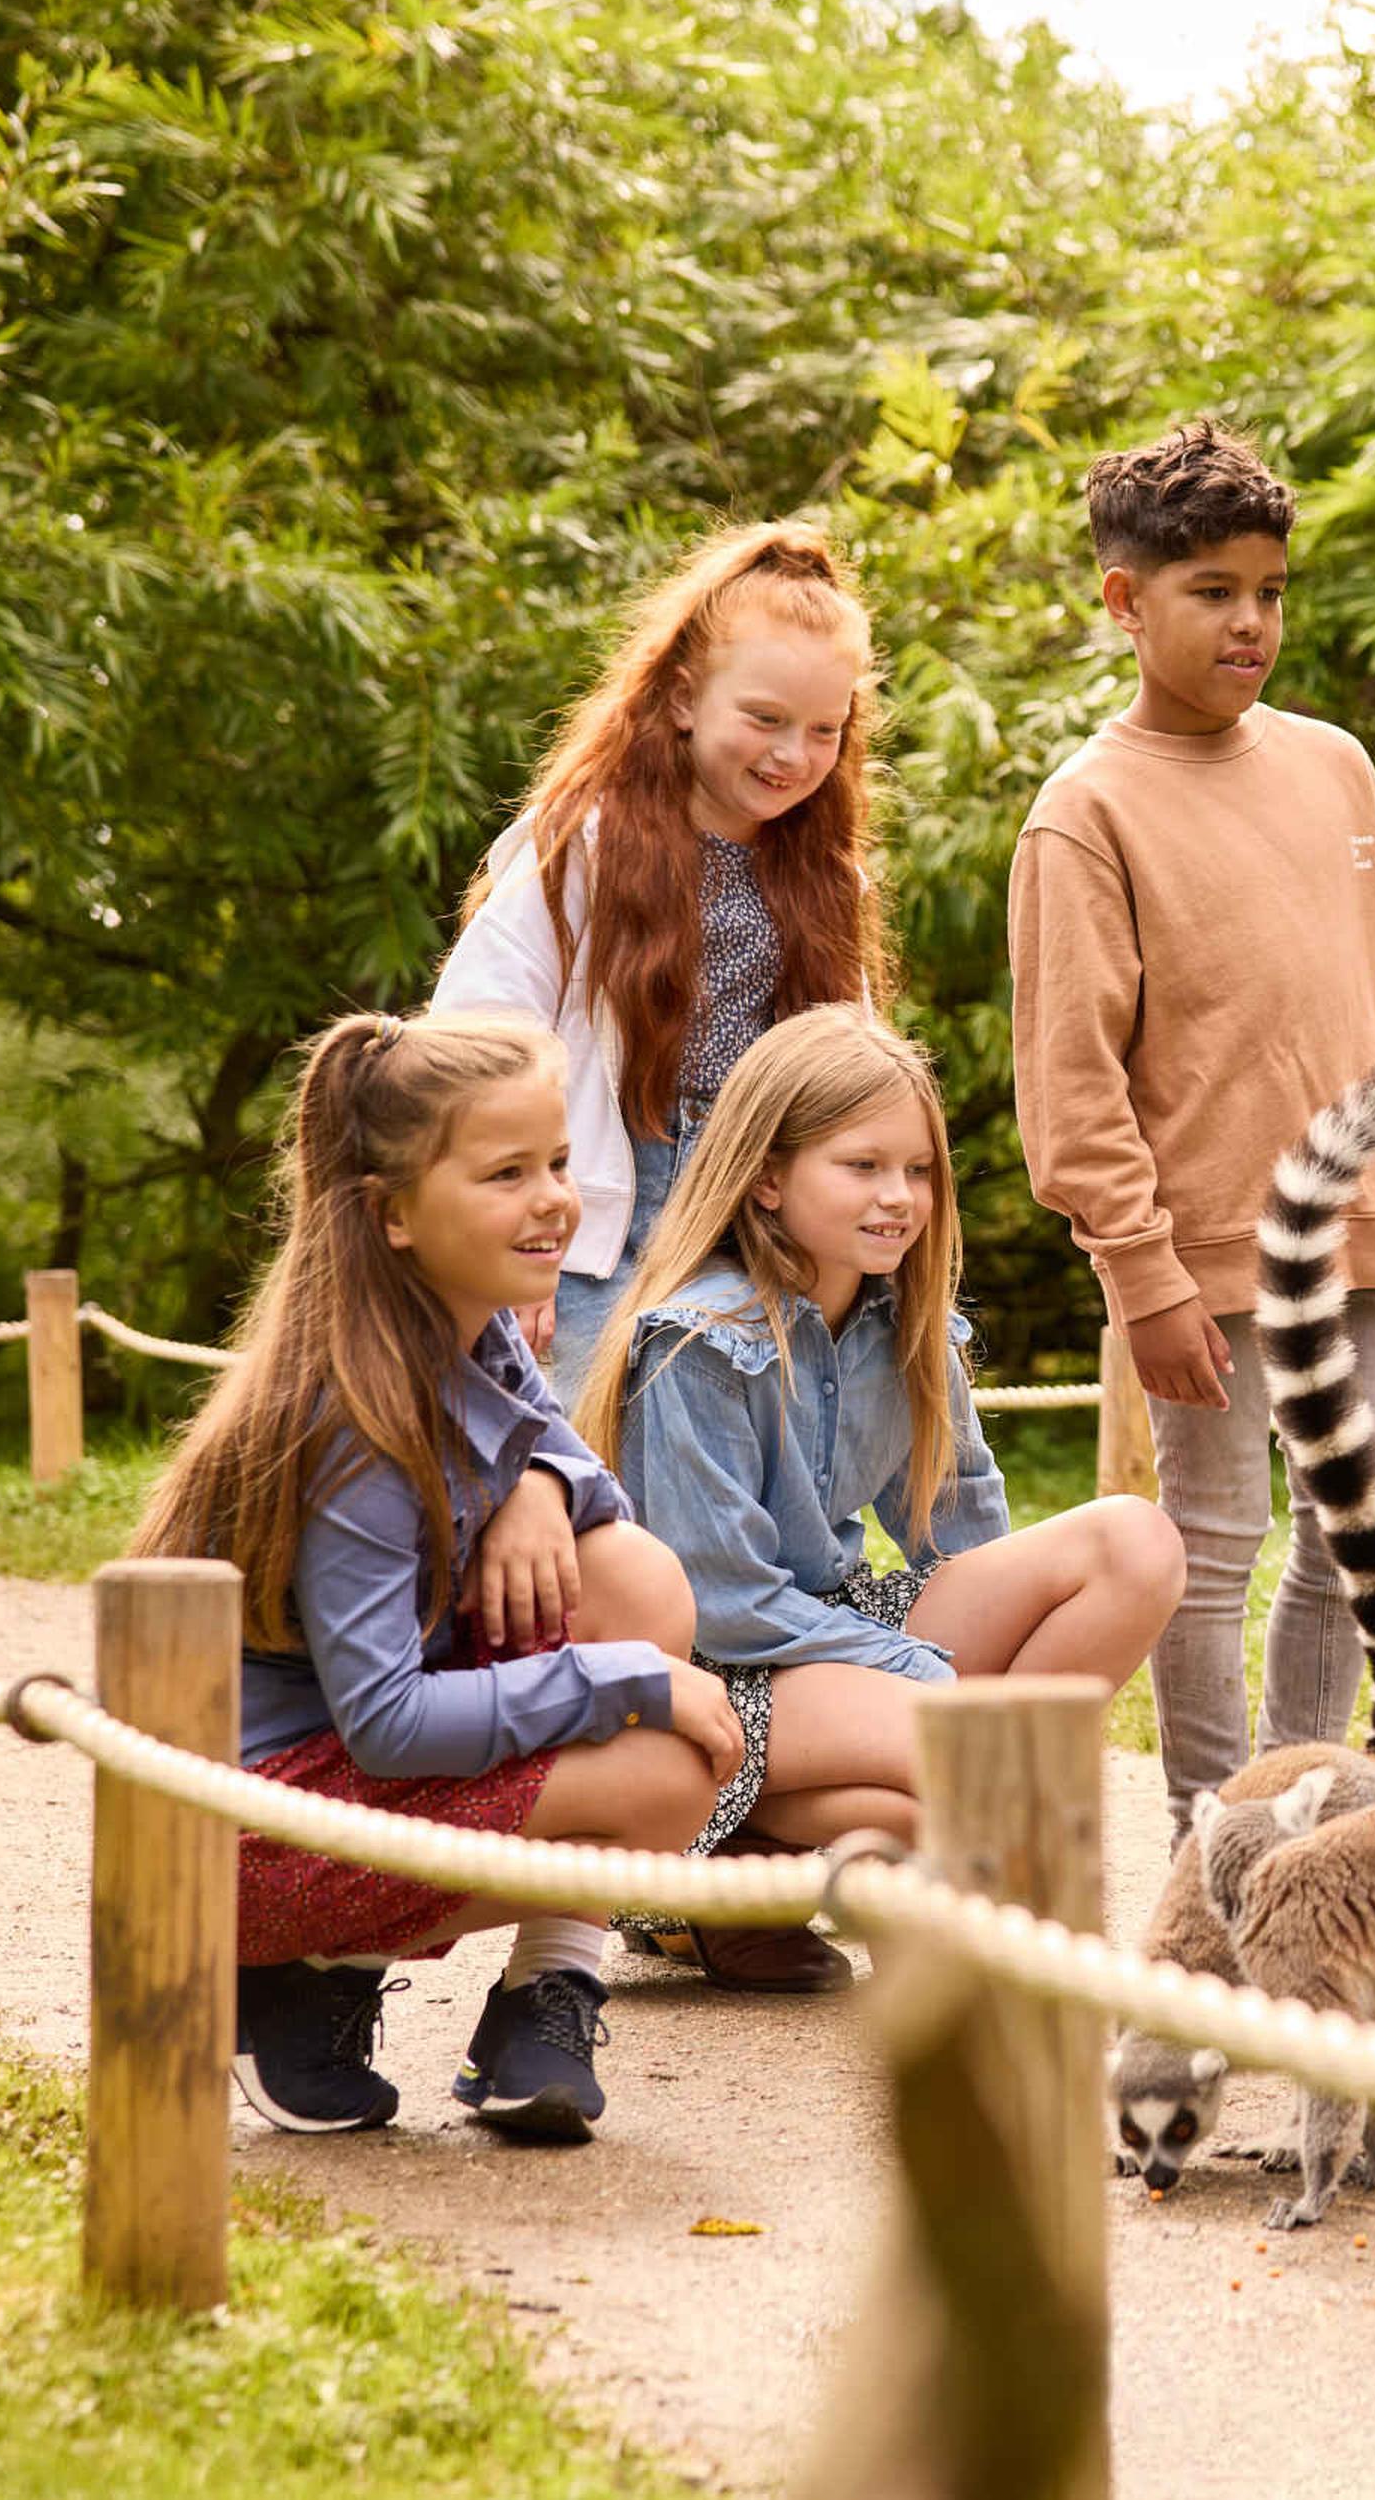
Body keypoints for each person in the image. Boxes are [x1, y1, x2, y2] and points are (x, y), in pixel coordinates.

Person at [132, 1011, 742, 2144]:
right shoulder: (355, 1426)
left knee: (634, 1583)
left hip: (327, 1783)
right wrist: (629, 1685)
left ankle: (534, 2006)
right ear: (393, 1215)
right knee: (659, 1776)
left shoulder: (472, 1325)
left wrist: (540, 1486)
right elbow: (388, 1728)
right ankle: (296, 1963)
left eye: (557, 1163)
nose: (554, 1197)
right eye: (506, 1173)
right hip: (239, 1845)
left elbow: (578, 1480)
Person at [1007, 417, 1375, 1836]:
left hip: (1366, 1236)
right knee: (1211, 1547)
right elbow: (1072, 1084)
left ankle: (1303, 1810)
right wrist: (1140, 1276)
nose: (1251, 621)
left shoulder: (1336, 768)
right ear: (1123, 600)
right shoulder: (1083, 814)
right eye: (1212, 591)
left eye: (1270, 591)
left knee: (1354, 1539)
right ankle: (1213, 1824)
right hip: (1203, 1260)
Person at [580, 1006, 1182, 1987]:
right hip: (719, 1673)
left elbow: (967, 1543)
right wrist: (938, 1685)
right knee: (953, 1770)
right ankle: (731, 1855)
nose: (899, 1196)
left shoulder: (909, 1328)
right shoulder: (695, 1341)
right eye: (861, 1166)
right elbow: (724, 1605)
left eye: (918, 1170)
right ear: (768, 1177)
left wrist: (953, 1682)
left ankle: (935, 1826)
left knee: (1134, 1544)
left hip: (830, 1637)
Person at [433, 521, 892, 1398]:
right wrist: (508, 1250)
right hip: (599, 1212)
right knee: (587, 1468)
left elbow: (852, 1074)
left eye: (824, 730)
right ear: (683, 700)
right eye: (764, 718)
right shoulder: (584, 847)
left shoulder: (829, 880)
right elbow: (474, 1041)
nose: (793, 754)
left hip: (756, 1212)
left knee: (750, 1463)